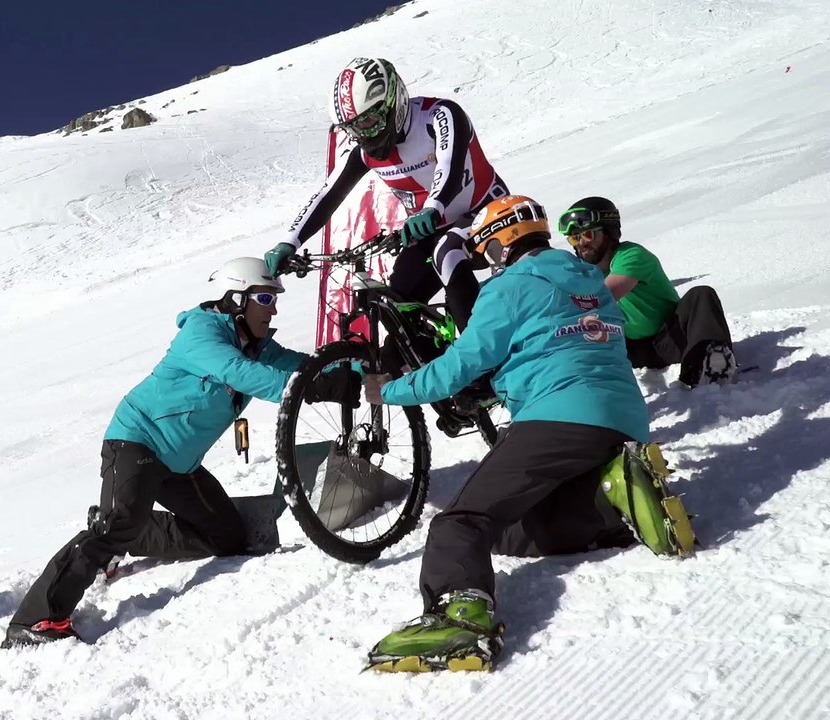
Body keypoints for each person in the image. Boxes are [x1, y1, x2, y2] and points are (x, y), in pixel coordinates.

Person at [358, 195, 657, 673]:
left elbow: (459, 365)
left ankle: (461, 614)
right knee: (520, 529)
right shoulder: (589, 278)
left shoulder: (508, 287)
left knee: (462, 520)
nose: (487, 261)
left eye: (486, 251)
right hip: (623, 420)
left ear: (500, 245)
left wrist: (389, 391)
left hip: (557, 417)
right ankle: (611, 504)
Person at [2, 257, 359, 648]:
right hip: (136, 441)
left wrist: (350, 372)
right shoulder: (202, 334)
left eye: (273, 298)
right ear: (236, 297)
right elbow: (243, 375)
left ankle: (135, 534)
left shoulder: (257, 346)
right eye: (264, 297)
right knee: (116, 524)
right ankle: (37, 619)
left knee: (227, 537)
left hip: (180, 464)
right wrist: (315, 389)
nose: (273, 307)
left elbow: (299, 366)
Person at [264, 56, 510, 333]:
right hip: (433, 227)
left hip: (489, 210)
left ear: (395, 102)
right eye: (353, 129)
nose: (364, 136)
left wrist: (432, 207)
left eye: (368, 121)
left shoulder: (440, 115)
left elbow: (449, 164)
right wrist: (289, 242)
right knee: (397, 302)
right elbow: (327, 195)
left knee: (448, 253)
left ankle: (480, 356)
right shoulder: (361, 152)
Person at [561, 196, 737, 386]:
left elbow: (606, 295)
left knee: (701, 295)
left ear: (608, 231)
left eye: (588, 235)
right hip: (631, 349)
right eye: (574, 238)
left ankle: (712, 360)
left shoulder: (630, 255)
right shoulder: (584, 272)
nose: (581, 243)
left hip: (672, 338)